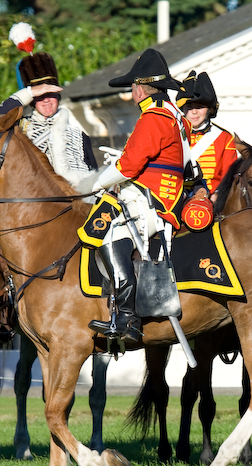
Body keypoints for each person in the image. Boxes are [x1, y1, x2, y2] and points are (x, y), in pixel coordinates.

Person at [84, 49, 190, 342]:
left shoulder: (153, 117)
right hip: (166, 193)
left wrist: (92, 185)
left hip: (151, 198)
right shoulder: (175, 116)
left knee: (108, 231)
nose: (132, 90)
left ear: (141, 88)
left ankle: (126, 317)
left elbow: (129, 166)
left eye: (133, 85)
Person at [0, 22, 99, 192]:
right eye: (40, 96)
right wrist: (30, 91)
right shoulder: (19, 128)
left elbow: (93, 175)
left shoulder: (78, 133)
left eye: (50, 94)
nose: (46, 100)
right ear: (32, 100)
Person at [176, 70, 237, 200]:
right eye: (189, 107)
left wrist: (218, 195)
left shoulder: (224, 138)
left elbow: (229, 174)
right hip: (176, 197)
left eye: (199, 107)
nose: (194, 112)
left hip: (211, 199)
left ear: (209, 109)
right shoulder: (173, 133)